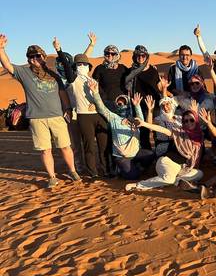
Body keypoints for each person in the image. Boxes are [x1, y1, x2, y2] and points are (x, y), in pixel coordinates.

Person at [0, 34, 81, 188]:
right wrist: (1, 48)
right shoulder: (24, 73)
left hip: (57, 116)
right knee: (45, 150)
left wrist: (68, 108)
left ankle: (72, 170)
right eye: (31, 56)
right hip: (37, 119)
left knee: (65, 146)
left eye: (37, 55)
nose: (34, 59)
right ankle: (52, 177)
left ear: (43, 57)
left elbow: (62, 93)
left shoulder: (53, 75)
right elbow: (7, 65)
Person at [55, 40, 109, 179]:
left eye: (85, 64)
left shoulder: (93, 80)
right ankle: (93, 172)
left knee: (103, 145)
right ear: (75, 67)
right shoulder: (73, 81)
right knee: (89, 146)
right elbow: (67, 66)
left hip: (99, 115)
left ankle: (107, 169)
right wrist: (59, 50)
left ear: (89, 66)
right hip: (83, 116)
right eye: (79, 64)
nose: (82, 66)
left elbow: (103, 97)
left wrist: (97, 104)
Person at [125, 108, 204, 191]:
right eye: (185, 121)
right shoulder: (179, 133)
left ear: (196, 120)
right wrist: (144, 124)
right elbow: (164, 130)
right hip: (167, 162)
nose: (189, 123)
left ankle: (178, 181)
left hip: (182, 168)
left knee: (199, 173)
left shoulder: (200, 136)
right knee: (169, 179)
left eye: (191, 120)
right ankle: (138, 185)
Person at [88, 81, 154, 179]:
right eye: (119, 103)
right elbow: (101, 108)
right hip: (122, 156)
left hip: (135, 153)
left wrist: (137, 105)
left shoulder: (133, 119)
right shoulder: (113, 118)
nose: (122, 105)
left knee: (151, 155)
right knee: (133, 176)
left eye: (124, 103)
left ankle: (136, 166)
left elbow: (141, 120)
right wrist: (95, 92)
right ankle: (122, 169)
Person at [125, 45, 160, 149]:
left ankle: (159, 151)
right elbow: (126, 86)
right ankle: (146, 152)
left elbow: (158, 85)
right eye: (138, 56)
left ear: (147, 56)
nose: (140, 58)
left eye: (143, 56)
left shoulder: (153, 70)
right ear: (134, 57)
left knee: (157, 130)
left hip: (154, 104)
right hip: (138, 105)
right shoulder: (131, 71)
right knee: (143, 129)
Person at [91, 44, 128, 111]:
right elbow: (94, 85)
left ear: (117, 55)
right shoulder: (99, 68)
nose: (110, 55)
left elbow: (133, 76)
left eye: (113, 54)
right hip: (105, 104)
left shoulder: (123, 68)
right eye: (107, 53)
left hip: (122, 103)